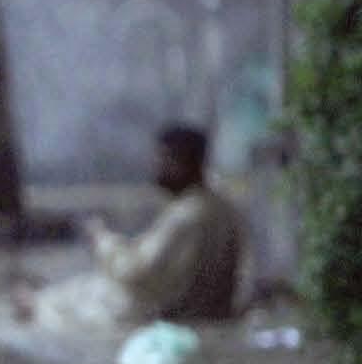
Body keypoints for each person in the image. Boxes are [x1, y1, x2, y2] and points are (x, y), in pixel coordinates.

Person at [30, 120, 251, 333]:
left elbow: (136, 272)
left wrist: (103, 240)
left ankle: (34, 304)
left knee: (87, 298)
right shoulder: (221, 207)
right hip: (205, 308)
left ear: (178, 164)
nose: (156, 168)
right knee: (85, 287)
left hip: (173, 313)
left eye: (162, 161)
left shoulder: (188, 215)